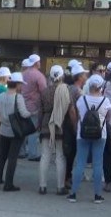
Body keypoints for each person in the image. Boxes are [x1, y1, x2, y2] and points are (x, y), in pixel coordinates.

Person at [67, 74, 111, 204]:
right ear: (101, 87)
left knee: (80, 162)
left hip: (82, 133)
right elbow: (109, 118)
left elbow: (77, 114)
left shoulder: (82, 99)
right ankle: (97, 195)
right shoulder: (106, 101)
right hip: (100, 134)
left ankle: (73, 194)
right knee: (98, 163)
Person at [0, 72, 32, 192]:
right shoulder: (18, 97)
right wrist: (33, 113)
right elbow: (24, 113)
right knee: (12, 158)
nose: (22, 86)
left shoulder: (1, 96)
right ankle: (8, 184)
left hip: (3, 130)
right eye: (21, 84)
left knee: (2, 156)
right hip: (15, 131)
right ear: (17, 85)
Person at [38, 65, 74, 195]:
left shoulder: (44, 91)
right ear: (62, 76)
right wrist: (74, 126)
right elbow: (71, 110)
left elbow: (40, 111)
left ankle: (42, 186)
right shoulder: (66, 90)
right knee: (60, 156)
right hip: (60, 125)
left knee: (45, 156)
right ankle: (60, 187)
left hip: (46, 124)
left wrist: (39, 126)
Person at [64, 65, 89, 187]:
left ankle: (66, 176)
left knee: (69, 152)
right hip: (72, 124)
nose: (86, 76)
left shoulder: (70, 88)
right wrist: (76, 127)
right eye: (84, 74)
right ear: (79, 77)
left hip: (67, 124)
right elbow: (73, 110)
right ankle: (67, 178)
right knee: (71, 152)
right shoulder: (77, 91)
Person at [21, 54, 47, 161]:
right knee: (33, 131)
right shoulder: (38, 75)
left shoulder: (23, 74)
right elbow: (44, 91)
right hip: (34, 106)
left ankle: (21, 151)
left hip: (22, 105)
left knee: (22, 130)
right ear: (37, 63)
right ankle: (33, 153)